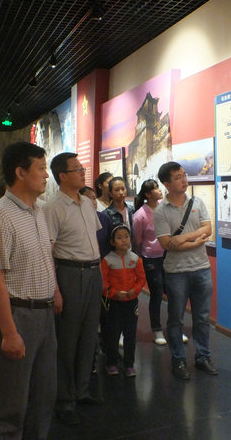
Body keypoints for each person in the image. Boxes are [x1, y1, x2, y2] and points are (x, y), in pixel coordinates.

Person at [0, 142, 58, 438]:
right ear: (20, 172)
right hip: (17, 314)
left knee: (43, 397)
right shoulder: (0, 215)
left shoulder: (38, 211)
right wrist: (9, 332)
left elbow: (44, 258)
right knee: (10, 403)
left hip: (44, 313)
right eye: (41, 168)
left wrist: (55, 292)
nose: (46, 175)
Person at [43, 152, 103, 425]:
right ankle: (65, 398)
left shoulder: (87, 203)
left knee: (89, 335)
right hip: (69, 273)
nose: (82, 172)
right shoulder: (53, 208)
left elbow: (93, 240)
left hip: (92, 272)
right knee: (67, 339)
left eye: (82, 168)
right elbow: (48, 252)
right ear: (62, 176)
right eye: (77, 169)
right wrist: (55, 289)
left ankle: (82, 390)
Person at [153, 162, 216, 380]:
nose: (184, 179)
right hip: (176, 272)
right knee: (176, 319)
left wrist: (182, 238)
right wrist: (194, 241)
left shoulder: (197, 202)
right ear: (167, 183)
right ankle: (178, 359)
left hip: (201, 268)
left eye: (184, 175)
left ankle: (203, 356)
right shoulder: (161, 211)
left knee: (202, 317)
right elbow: (166, 244)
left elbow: (207, 229)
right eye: (178, 177)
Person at [100, 225, 146, 377]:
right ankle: (112, 363)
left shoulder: (135, 259)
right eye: (119, 238)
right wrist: (114, 293)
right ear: (112, 242)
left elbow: (141, 279)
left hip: (131, 302)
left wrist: (134, 291)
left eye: (126, 237)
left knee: (130, 334)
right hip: (113, 303)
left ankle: (129, 364)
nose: (124, 240)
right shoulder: (107, 260)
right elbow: (103, 283)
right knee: (112, 333)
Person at [133, 179, 168, 346]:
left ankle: (174, 327)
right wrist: (145, 254)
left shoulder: (164, 207)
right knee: (157, 294)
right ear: (148, 194)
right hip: (151, 259)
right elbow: (137, 240)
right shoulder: (140, 215)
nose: (159, 190)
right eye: (155, 188)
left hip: (168, 255)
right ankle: (157, 329)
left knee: (174, 291)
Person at [80, 186, 113, 258]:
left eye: (94, 198)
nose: (92, 202)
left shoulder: (104, 218)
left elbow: (110, 242)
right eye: (88, 199)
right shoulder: (76, 219)